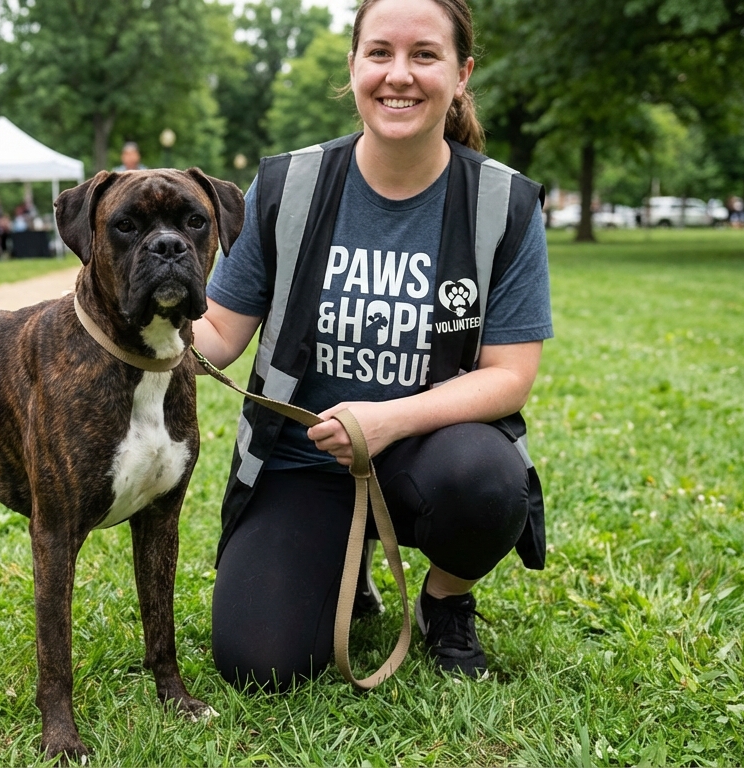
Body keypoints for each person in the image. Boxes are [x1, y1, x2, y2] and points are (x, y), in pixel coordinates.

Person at [193, 0, 551, 689]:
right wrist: (140, 301)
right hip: (301, 461)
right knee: (257, 664)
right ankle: (342, 568)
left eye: (425, 55)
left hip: (429, 454)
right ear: (353, 66)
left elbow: (509, 377)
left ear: (461, 72)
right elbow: (217, 336)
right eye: (380, 52)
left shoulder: (503, 205)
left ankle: (445, 600)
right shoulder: (289, 185)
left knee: (488, 481)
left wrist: (388, 419)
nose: (400, 75)